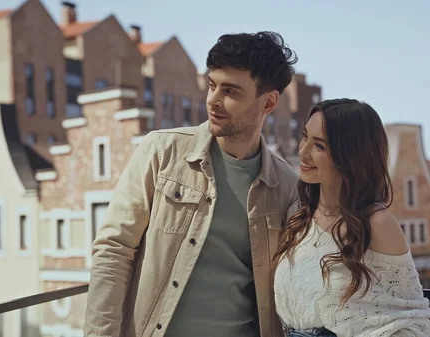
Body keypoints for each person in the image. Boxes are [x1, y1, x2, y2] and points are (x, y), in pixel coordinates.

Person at [84, 31, 300, 337]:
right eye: (212, 85)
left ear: (269, 102)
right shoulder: (161, 152)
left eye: (231, 91)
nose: (214, 100)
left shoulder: (288, 187)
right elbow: (114, 249)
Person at [272, 99, 430, 337]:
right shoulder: (298, 217)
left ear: (349, 156)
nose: (303, 151)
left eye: (319, 146)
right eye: (305, 137)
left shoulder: (378, 224)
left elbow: (413, 319)